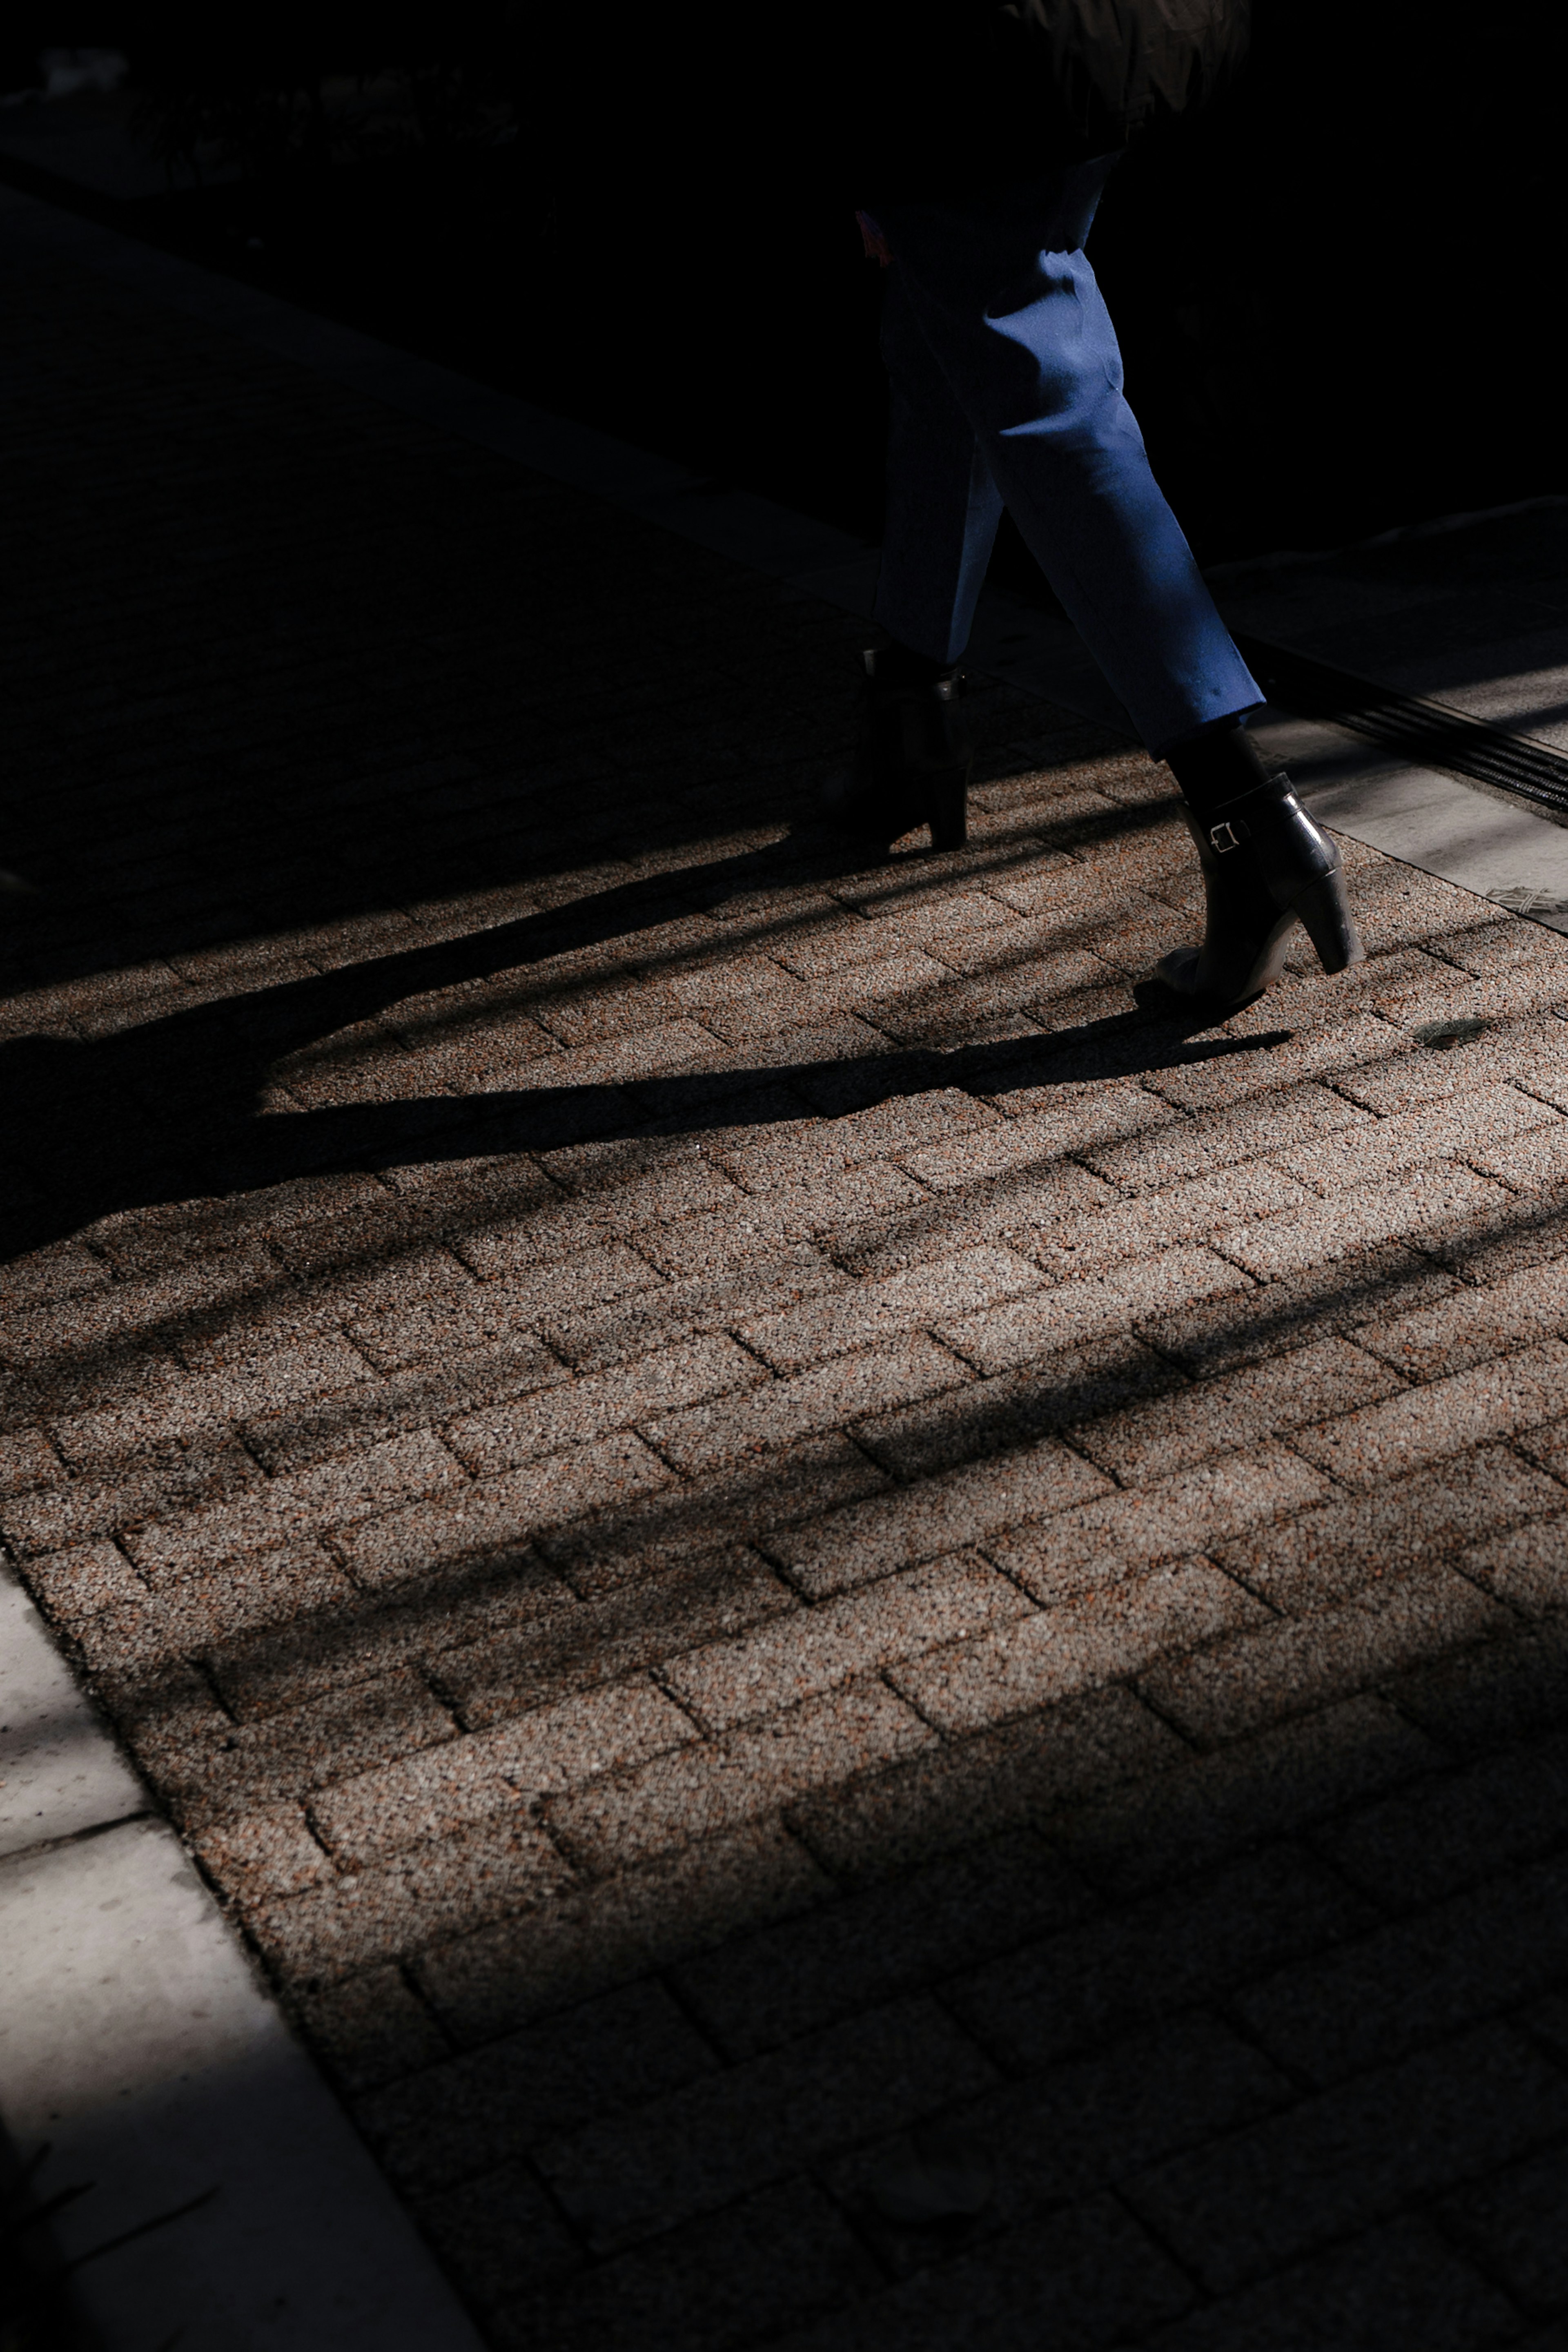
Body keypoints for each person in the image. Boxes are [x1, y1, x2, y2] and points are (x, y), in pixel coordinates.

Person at [820, 0, 1363, 1015]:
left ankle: (1245, 816)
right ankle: (910, 720)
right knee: (953, 349)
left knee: (1036, 379)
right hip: (1090, 35)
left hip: (962, 60)